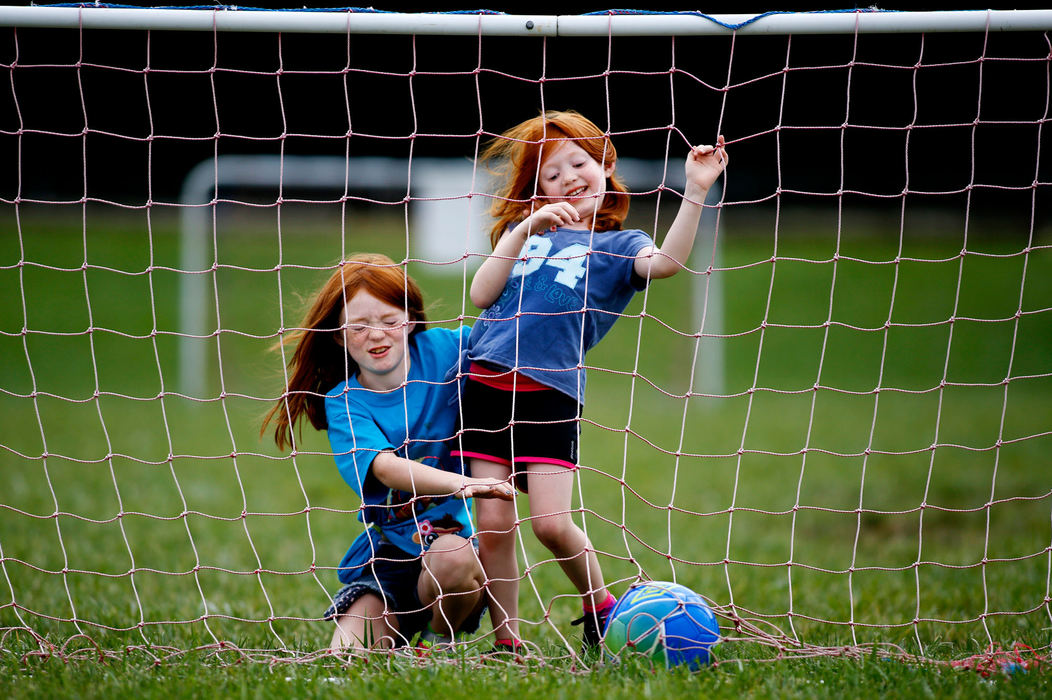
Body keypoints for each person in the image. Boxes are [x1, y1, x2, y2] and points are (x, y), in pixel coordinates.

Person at [454, 110, 728, 654]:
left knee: (551, 526)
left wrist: (695, 189)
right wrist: (525, 228)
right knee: (492, 522)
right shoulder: (521, 234)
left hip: (549, 399)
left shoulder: (622, 246)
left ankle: (599, 606)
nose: (568, 179)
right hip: (484, 387)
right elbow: (481, 295)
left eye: (578, 163)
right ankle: (507, 640)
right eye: (551, 175)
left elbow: (669, 262)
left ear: (604, 166)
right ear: (537, 191)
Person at [262, 253, 514, 654]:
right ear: (339, 336)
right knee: (344, 657)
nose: (376, 335)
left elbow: (513, 336)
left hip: (451, 551)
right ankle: (396, 628)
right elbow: (385, 467)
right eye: (358, 326)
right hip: (389, 558)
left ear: (410, 320)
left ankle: (438, 641)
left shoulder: (449, 350)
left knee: (450, 558)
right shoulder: (343, 401)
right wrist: (465, 483)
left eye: (388, 320)